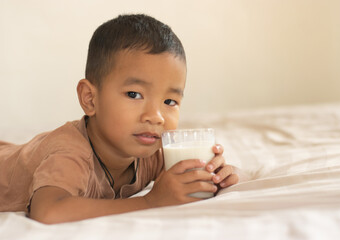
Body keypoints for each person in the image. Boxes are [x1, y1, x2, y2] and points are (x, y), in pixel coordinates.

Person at [0, 14, 243, 224]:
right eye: (134, 94)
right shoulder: (70, 153)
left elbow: (180, 182)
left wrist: (212, 176)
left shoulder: (150, 153)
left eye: (170, 101)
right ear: (90, 99)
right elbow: (48, 212)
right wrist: (150, 202)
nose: (156, 117)